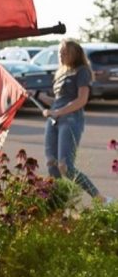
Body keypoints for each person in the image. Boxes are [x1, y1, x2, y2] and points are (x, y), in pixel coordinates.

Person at [41, 38, 104, 201]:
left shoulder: (82, 70)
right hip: (54, 120)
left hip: (70, 119)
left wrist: (58, 112)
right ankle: (57, 205)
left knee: (65, 166)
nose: (61, 55)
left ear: (75, 53)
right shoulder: (61, 72)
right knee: (52, 164)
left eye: (65, 52)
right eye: (60, 52)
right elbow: (57, 100)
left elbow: (82, 100)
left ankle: (98, 198)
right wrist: (38, 97)